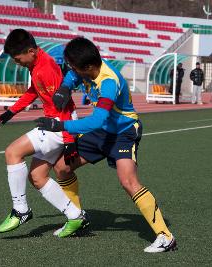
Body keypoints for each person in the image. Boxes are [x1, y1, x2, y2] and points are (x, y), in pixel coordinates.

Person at [35, 37, 177, 252]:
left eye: (73, 66)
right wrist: (64, 87)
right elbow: (73, 75)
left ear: (89, 66)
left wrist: (59, 126)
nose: (71, 70)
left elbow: (96, 120)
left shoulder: (109, 82)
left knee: (128, 181)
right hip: (102, 131)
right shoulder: (86, 68)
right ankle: (78, 219)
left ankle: (166, 237)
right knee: (62, 167)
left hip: (124, 131)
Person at [0, 29, 88, 238]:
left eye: (18, 59)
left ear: (31, 51)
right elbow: (33, 91)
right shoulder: (35, 64)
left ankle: (21, 210)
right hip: (56, 125)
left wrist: (69, 140)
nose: (18, 63)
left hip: (57, 126)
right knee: (37, 177)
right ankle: (75, 216)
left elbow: (62, 105)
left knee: (12, 153)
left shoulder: (46, 68)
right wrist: (10, 112)